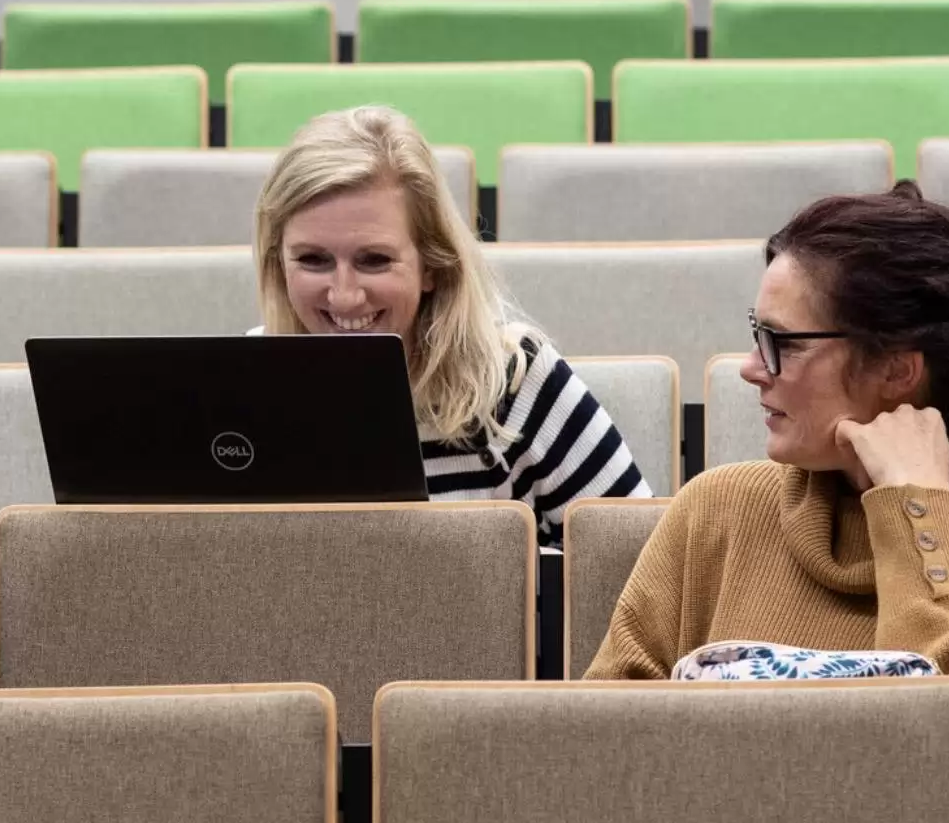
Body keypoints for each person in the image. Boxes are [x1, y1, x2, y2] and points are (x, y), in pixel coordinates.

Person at [585, 181, 949, 731]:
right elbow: (600, 751)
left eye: (784, 342)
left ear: (897, 371)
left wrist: (914, 512)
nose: (751, 368)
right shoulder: (716, 512)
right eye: (757, 334)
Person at [253, 106, 651, 541]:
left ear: (432, 266)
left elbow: (640, 566)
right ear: (278, 265)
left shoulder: (514, 381)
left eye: (375, 260)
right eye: (313, 260)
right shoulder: (239, 386)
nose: (344, 294)